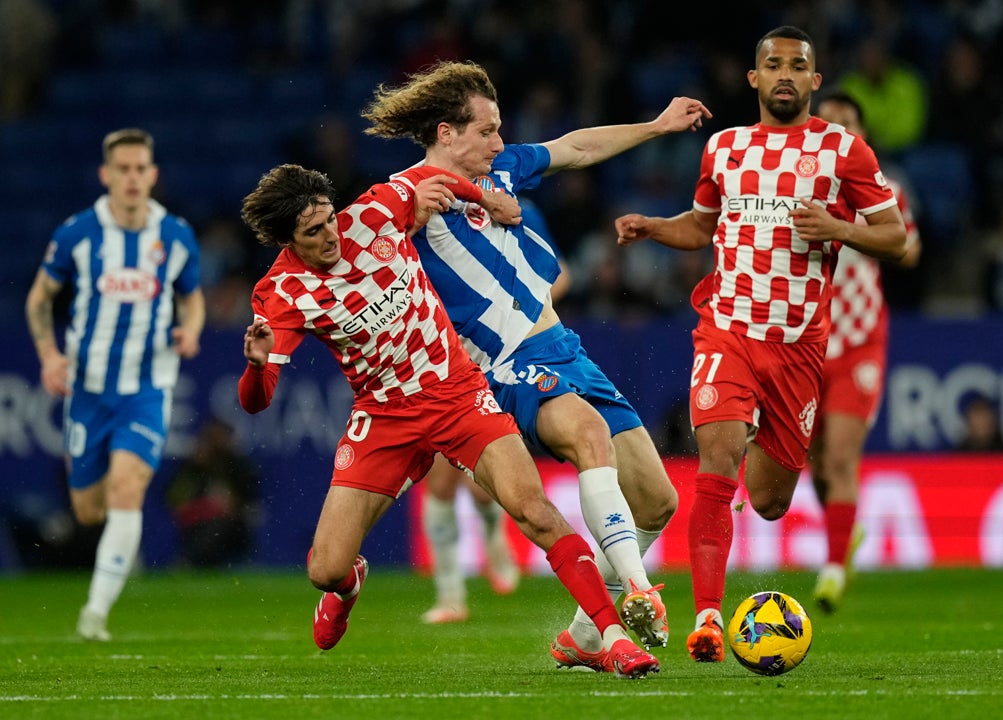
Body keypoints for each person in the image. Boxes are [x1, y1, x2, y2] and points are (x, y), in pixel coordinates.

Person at [236, 163, 659, 678]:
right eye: (314, 232)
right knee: (325, 569)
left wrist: (487, 201)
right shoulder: (280, 294)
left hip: (457, 393)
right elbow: (256, 402)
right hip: (384, 414)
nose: (331, 235)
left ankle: (609, 639)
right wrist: (257, 368)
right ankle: (349, 585)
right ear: (286, 240)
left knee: (535, 511)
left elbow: (432, 176)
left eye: (329, 219)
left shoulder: (372, 213)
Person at [361, 61, 709, 665]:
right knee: (589, 436)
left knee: (657, 499)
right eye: (489, 130)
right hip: (500, 363)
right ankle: (641, 590)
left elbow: (574, 147)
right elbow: (351, 249)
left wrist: (655, 127)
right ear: (447, 133)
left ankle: (582, 634)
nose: (501, 141)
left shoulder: (503, 172)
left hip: (563, 348)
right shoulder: (403, 198)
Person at [613, 26, 910, 663]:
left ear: (814, 80)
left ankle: (752, 456)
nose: (783, 75)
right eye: (771, 65)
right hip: (728, 329)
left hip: (801, 348)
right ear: (753, 78)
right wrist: (654, 227)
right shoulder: (723, 148)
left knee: (771, 501)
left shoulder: (844, 152)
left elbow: (896, 237)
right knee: (715, 464)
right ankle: (710, 621)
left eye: (796, 66)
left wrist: (836, 226)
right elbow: (702, 225)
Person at [24, 128, 205, 640]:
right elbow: (39, 299)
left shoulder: (175, 236)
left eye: (139, 168)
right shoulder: (78, 233)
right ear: (106, 175)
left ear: (152, 175)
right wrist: (48, 356)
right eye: (121, 169)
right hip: (88, 391)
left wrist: (190, 330)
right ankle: (108, 566)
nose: (131, 177)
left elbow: (191, 297)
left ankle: (95, 613)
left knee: (129, 489)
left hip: (147, 389)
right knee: (88, 509)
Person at [420, 199, 563, 625]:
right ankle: (450, 596)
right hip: (450, 360)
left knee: (485, 484)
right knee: (440, 482)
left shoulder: (512, 204)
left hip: (504, 357)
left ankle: (494, 532)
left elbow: (560, 272)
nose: (491, 147)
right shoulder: (422, 212)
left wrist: (514, 310)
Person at [807, 90, 922, 613]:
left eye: (847, 123)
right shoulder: (792, 186)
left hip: (858, 341)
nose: (837, 130)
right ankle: (841, 528)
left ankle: (832, 569)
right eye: (827, 121)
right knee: (811, 463)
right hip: (804, 339)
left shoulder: (883, 191)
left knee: (841, 456)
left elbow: (908, 248)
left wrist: (846, 230)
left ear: (863, 136)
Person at [165, 416, 260, 567]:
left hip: (232, 524)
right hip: (197, 523)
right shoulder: (193, 466)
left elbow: (250, 501)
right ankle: (190, 563)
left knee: (218, 527)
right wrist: (196, 469)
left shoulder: (238, 466)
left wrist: (230, 504)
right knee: (208, 528)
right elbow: (174, 498)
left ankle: (191, 563)